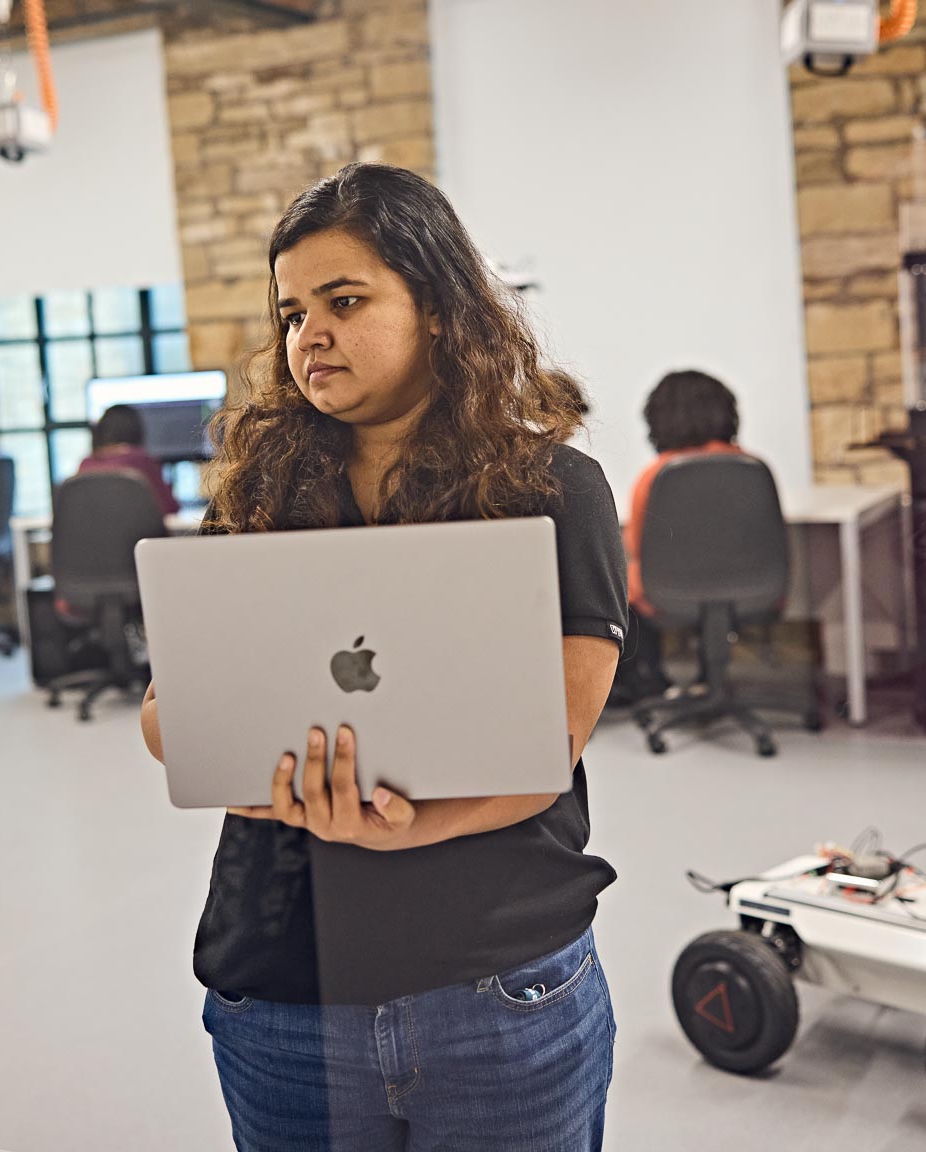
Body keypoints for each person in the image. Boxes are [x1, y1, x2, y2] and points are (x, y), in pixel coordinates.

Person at [138, 163, 625, 1150]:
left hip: (495, 982)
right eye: (291, 314)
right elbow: (165, 717)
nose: (307, 336)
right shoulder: (258, 499)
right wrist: (247, 770)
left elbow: (548, 745)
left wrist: (401, 832)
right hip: (283, 989)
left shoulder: (552, 491)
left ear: (438, 310)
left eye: (343, 302)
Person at [614, 370, 749, 703]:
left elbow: (637, 546)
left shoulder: (655, 476)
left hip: (667, 593)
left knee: (625, 580)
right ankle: (709, 678)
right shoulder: (751, 467)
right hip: (747, 589)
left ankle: (651, 680)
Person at [76, 403, 178, 516]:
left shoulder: (86, 464)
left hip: (92, 528)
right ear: (136, 431)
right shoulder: (143, 461)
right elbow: (170, 507)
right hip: (139, 527)